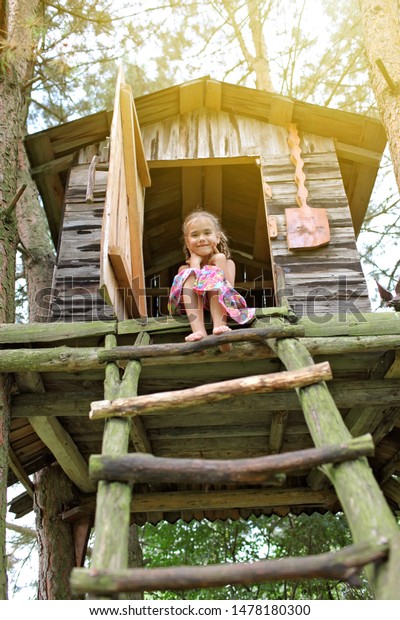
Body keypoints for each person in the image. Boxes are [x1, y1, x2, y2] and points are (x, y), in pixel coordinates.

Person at [168, 209, 255, 350]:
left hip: (221, 301)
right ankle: (199, 331)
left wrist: (219, 261)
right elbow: (189, 291)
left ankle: (221, 329)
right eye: (195, 235)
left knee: (213, 275)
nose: (201, 238)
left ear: (218, 237)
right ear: (187, 242)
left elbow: (228, 289)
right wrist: (195, 264)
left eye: (207, 233)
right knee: (189, 273)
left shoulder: (228, 263)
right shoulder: (184, 269)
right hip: (193, 307)